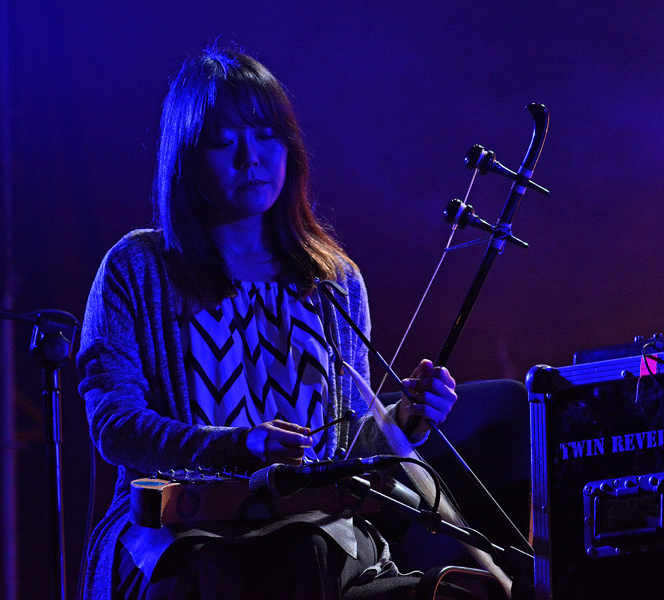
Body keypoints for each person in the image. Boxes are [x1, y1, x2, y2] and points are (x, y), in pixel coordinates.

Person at [77, 46, 458, 600]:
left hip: (312, 526)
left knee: (305, 548)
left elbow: (342, 444)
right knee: (216, 566)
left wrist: (403, 419)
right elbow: (116, 424)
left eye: (266, 135)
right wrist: (237, 446)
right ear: (186, 157)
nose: (250, 157)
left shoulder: (334, 279)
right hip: (178, 523)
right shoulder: (138, 268)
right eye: (223, 141)